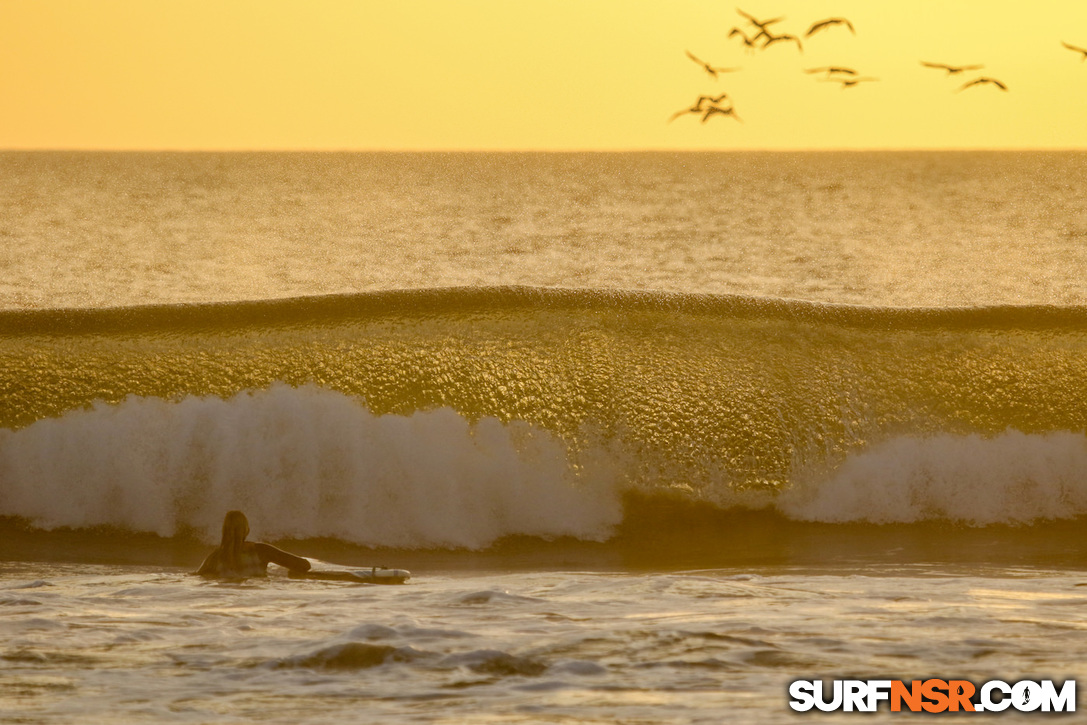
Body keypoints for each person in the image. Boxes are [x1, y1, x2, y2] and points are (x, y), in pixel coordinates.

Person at [196, 510, 312, 579]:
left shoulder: (213, 558)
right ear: (247, 530)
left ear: (224, 531)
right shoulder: (261, 551)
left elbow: (197, 577)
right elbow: (304, 565)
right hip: (254, 597)